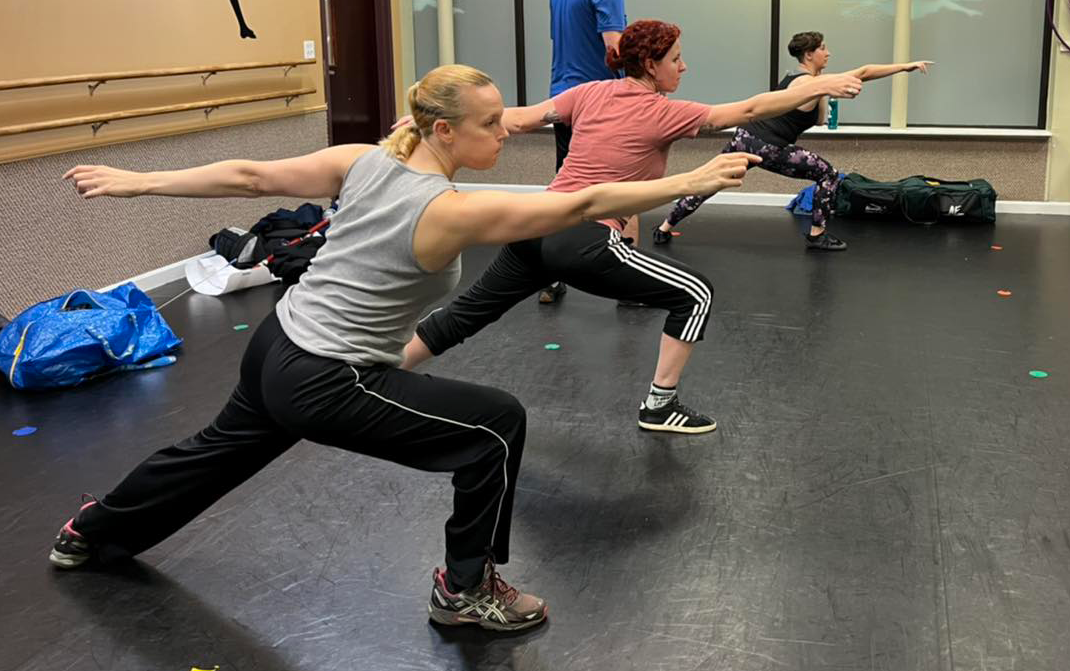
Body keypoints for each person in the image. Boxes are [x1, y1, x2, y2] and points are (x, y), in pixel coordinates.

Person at [49, 64, 756, 632]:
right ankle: (465, 589)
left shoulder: (364, 161)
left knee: (213, 452)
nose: (504, 132)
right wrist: (689, 179)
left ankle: (91, 529)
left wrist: (141, 182)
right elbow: (575, 204)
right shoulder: (446, 208)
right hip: (325, 376)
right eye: (489, 124)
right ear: (443, 130)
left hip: (277, 344)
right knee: (492, 427)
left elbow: (250, 176)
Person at [401, 20, 862, 435]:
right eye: (675, 60)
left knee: (469, 312)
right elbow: (748, 109)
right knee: (696, 294)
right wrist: (816, 87)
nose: (684, 67)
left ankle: (378, 370)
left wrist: (431, 124)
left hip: (535, 223)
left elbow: (517, 118)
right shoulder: (665, 112)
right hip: (583, 236)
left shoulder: (588, 93)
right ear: (649, 64)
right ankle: (660, 406)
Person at [654, 31, 932, 252]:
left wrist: (825, 86)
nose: (828, 53)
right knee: (828, 174)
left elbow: (821, 119)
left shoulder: (806, 80)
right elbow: (864, 72)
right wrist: (905, 66)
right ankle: (817, 235)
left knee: (711, 181)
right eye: (823, 48)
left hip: (746, 137)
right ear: (809, 54)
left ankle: (665, 227)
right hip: (768, 145)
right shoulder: (803, 83)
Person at [539, 0, 626, 304]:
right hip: (600, 98)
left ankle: (551, 277)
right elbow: (614, 47)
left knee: (565, 184)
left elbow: (562, 41)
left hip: (563, 95)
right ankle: (628, 287)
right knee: (627, 182)